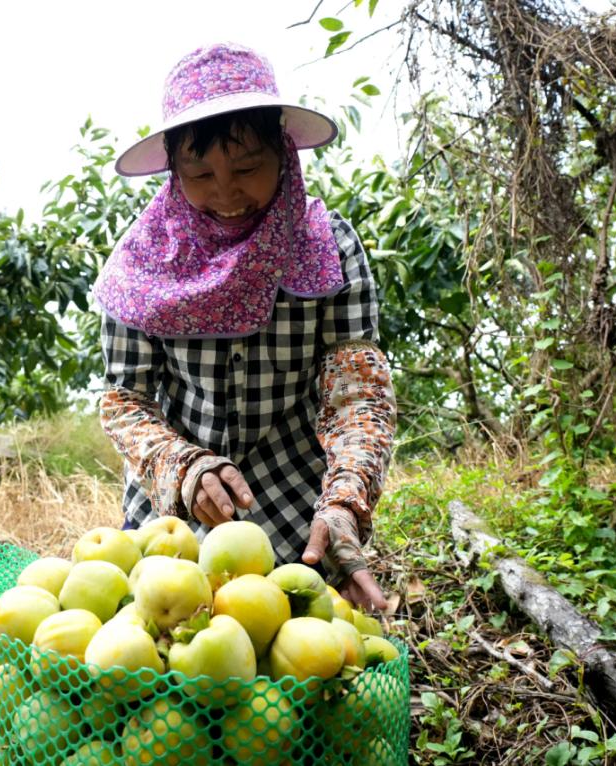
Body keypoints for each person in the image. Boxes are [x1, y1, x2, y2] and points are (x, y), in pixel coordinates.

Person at [93, 43, 395, 611]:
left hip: (299, 523)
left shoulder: (328, 251)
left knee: (296, 673)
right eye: (200, 173)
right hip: (172, 528)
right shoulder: (138, 270)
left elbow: (359, 398)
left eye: (248, 168)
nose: (226, 193)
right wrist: (185, 467)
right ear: (174, 171)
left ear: (283, 154)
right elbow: (123, 400)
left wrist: (345, 505)